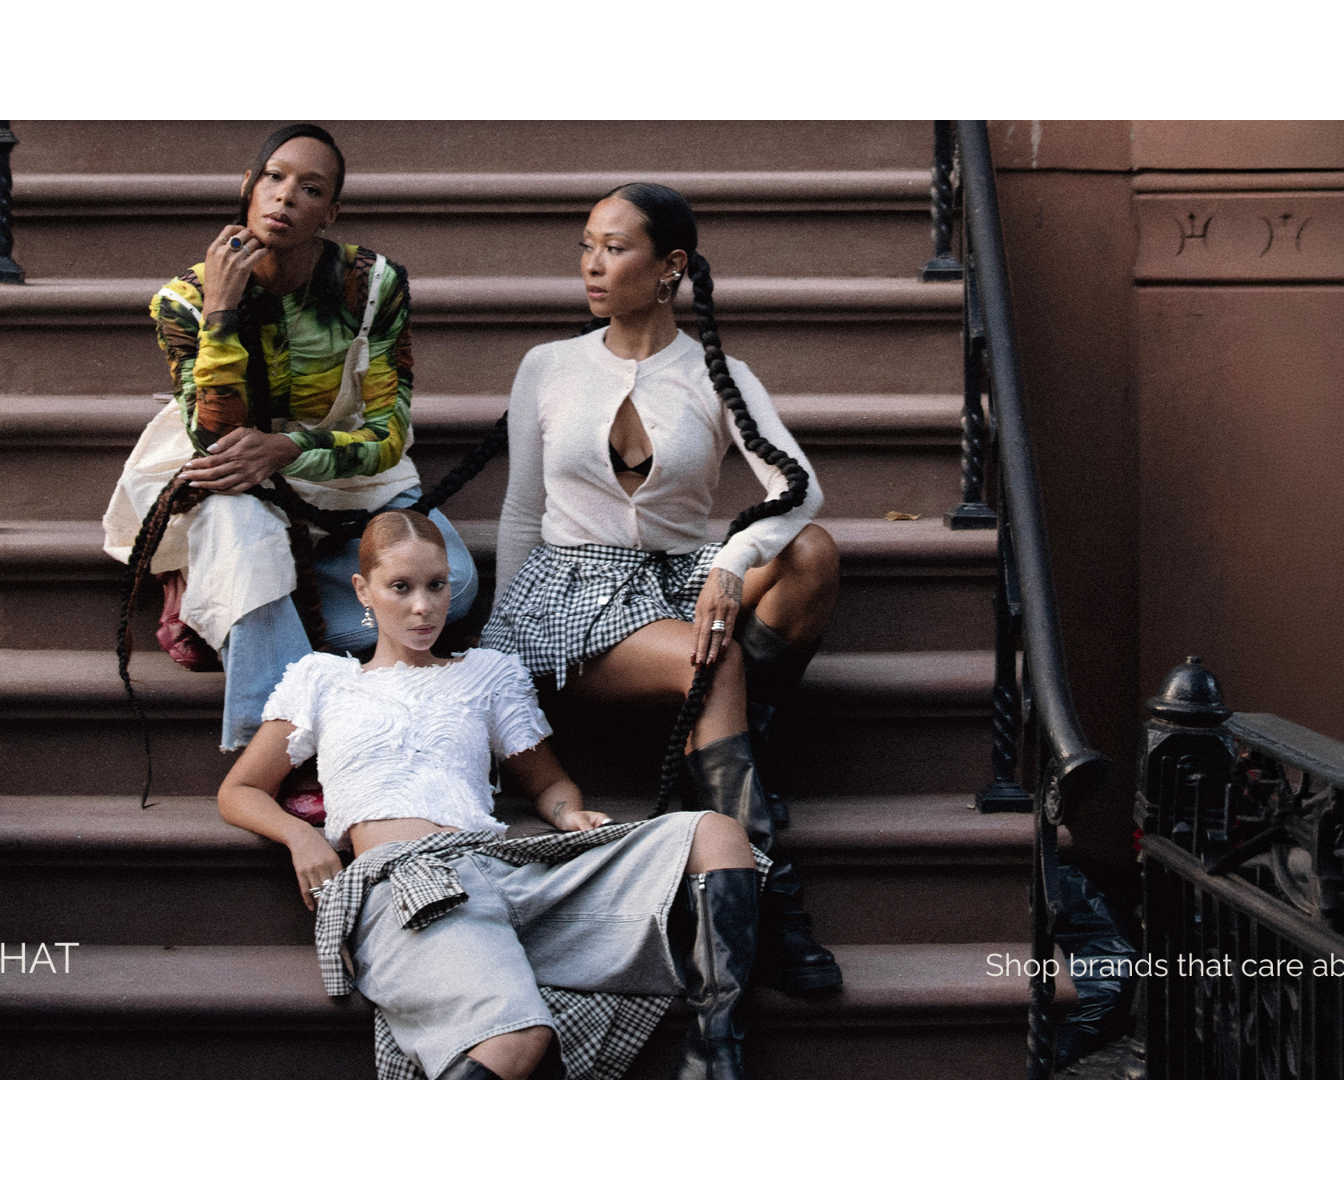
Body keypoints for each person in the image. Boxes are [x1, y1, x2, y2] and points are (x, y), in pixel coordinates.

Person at [217, 512, 767, 1079]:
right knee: (515, 1040)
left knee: (715, 833)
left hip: (500, 870)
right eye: (400, 587)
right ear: (363, 590)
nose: (423, 607)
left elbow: (548, 783)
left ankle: (713, 1057)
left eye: (436, 585)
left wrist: (568, 813)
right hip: (406, 885)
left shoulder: (487, 673)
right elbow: (241, 789)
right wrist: (301, 837)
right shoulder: (324, 680)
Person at [486, 182, 846, 990]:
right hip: (573, 592)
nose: (592, 264)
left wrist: (730, 562)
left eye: (614, 249)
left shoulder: (718, 374)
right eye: (586, 246)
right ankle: (769, 894)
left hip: (685, 578)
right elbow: (520, 509)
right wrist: (500, 651)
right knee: (711, 659)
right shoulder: (548, 365)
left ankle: (713, 763)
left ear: (669, 267)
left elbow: (800, 489)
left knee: (812, 552)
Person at [104, 124, 480, 755]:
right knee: (242, 532)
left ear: (330, 212)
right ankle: (279, 751)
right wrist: (222, 311)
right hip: (233, 473)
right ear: (248, 187)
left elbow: (387, 434)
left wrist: (292, 448)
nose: (285, 196)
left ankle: (226, 610)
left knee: (457, 584)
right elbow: (216, 437)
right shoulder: (182, 301)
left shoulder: (374, 285)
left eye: (311, 188)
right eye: (273, 178)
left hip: (340, 464)